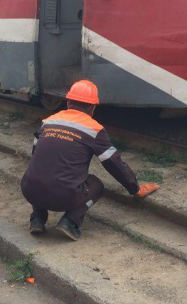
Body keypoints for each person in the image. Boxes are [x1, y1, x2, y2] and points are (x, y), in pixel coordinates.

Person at [20, 80, 159, 241]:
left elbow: (36, 154)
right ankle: (70, 222)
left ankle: (37, 219)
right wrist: (135, 188)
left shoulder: (48, 122)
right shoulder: (94, 130)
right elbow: (114, 163)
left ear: (68, 102)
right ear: (93, 108)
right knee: (97, 185)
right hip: (63, 197)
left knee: (40, 172)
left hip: (29, 190)